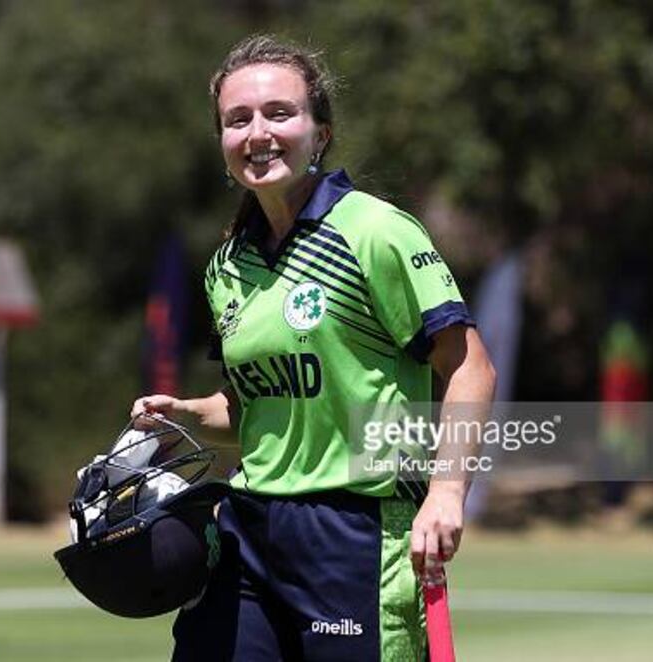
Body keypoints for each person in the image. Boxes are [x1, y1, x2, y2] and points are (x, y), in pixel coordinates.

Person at [131, 34, 496, 661]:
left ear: (320, 131)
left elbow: (469, 368)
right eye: (237, 119)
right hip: (246, 530)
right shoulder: (227, 265)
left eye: (280, 113)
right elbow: (259, 411)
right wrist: (188, 415)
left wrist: (446, 491)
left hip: (355, 534)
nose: (258, 133)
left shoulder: (374, 232)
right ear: (221, 142)